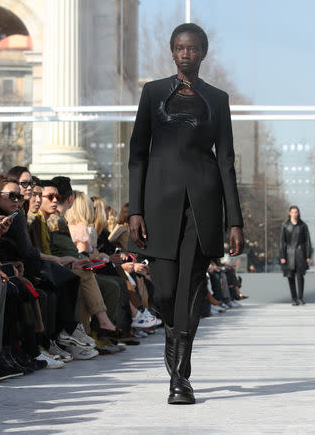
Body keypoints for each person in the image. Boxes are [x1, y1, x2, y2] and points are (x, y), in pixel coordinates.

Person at [128, 23, 244, 404]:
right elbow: (137, 155)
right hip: (158, 203)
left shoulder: (217, 98)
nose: (185, 53)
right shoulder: (153, 92)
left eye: (192, 48)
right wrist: (136, 210)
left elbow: (226, 161)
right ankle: (172, 341)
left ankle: (180, 376)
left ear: (203, 53)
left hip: (203, 203)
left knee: (191, 293)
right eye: (179, 47)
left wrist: (235, 220)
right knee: (163, 291)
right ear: (171, 51)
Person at [280, 205, 312, 306]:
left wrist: (308, 255)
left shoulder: (303, 225)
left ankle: (300, 298)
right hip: (289, 254)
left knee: (300, 276)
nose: (295, 214)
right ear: (290, 213)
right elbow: (282, 241)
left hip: (300, 253)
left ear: (298, 213)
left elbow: (307, 241)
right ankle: (294, 298)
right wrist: (282, 256)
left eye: (296, 212)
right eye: (293, 212)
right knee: (290, 277)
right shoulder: (285, 225)